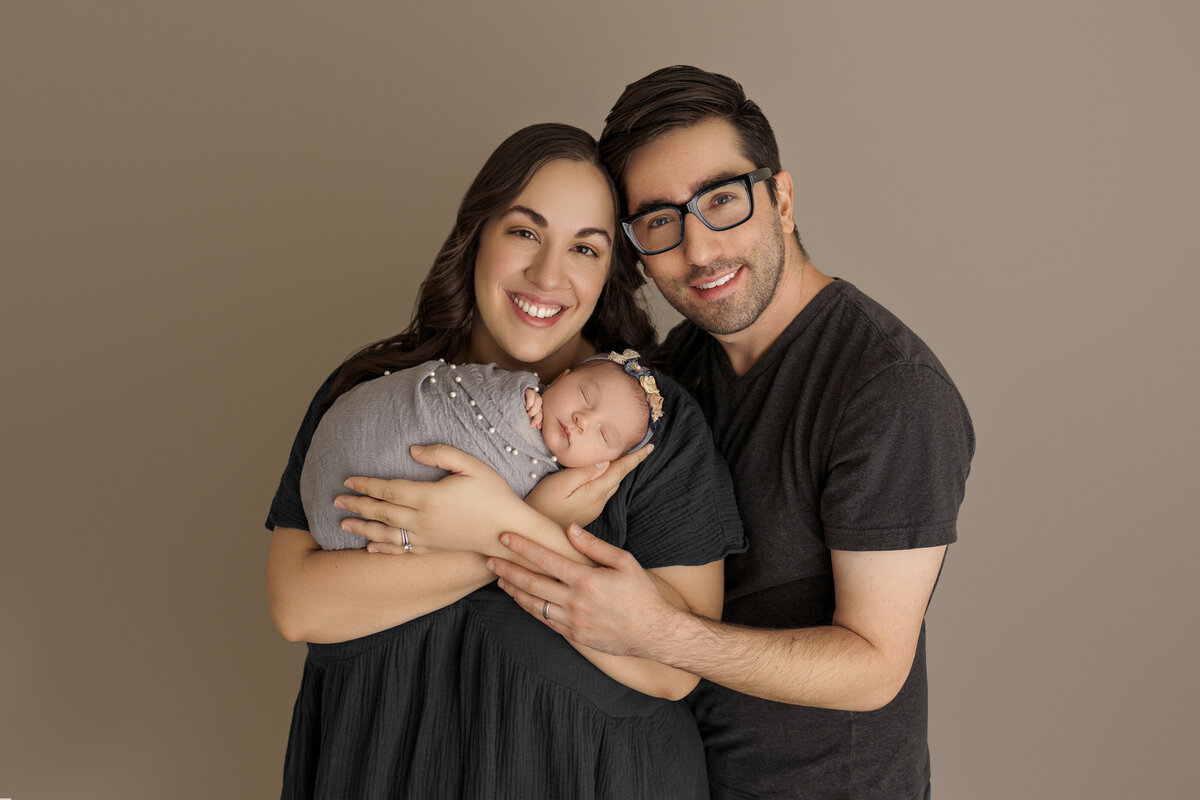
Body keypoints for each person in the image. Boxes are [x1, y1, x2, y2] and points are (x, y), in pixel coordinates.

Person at [486, 67, 976, 799]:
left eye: (722, 200)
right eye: (660, 221)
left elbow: (875, 665)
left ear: (780, 197)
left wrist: (658, 632)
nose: (700, 250)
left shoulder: (889, 389)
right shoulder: (663, 377)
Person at [264, 122, 745, 799]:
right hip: (382, 765)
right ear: (477, 235)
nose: (549, 275)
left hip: (595, 777)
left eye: (585, 247)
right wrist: (514, 526)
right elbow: (298, 605)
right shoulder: (376, 395)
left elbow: (673, 667)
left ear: (610, 271)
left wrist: (498, 527)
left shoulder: (648, 422)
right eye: (525, 232)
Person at [301, 349, 665, 551]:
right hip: (343, 461)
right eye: (585, 396)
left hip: (354, 537)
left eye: (604, 435)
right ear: (559, 377)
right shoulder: (516, 399)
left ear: (603, 465)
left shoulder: (564, 489)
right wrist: (522, 393)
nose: (583, 420)